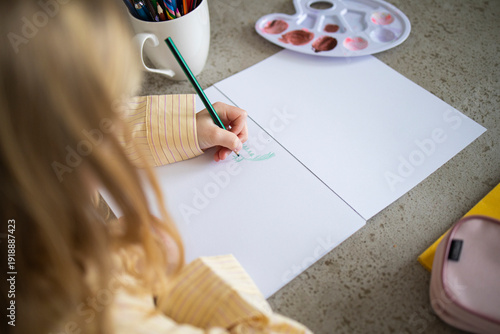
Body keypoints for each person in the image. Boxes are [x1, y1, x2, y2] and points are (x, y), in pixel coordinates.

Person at [0, 1, 312, 333]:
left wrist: (185, 128)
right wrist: (172, 280)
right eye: (106, 121)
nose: (117, 128)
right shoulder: (84, 306)